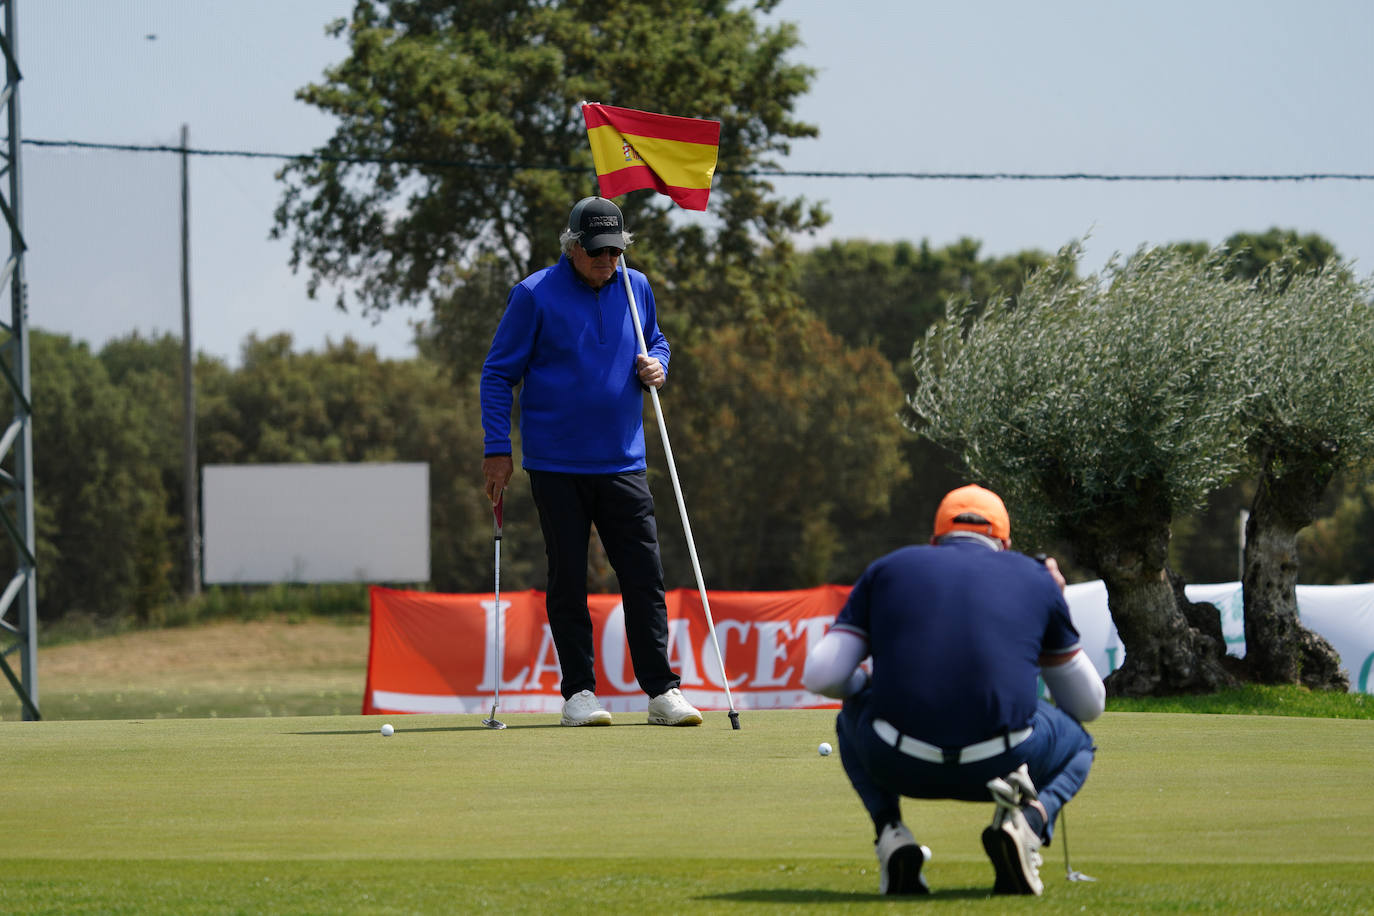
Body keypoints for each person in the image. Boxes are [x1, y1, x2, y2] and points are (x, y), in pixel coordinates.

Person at [802, 484, 1105, 896]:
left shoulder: (888, 568)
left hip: (898, 762)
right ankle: (1029, 824)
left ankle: (891, 834)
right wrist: (1054, 601)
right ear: (1004, 541)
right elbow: (1087, 705)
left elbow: (822, 677)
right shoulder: (1034, 577)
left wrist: (864, 686)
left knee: (851, 715)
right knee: (1080, 744)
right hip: (1003, 764)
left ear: (934, 539)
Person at [479, 196, 702, 729]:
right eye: (599, 252)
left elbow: (657, 340)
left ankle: (662, 693)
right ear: (573, 247)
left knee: (644, 576)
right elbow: (496, 374)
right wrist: (496, 449)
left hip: (624, 461)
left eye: (616, 251)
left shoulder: (634, 285)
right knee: (568, 578)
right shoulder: (534, 295)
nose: (609, 262)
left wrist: (659, 366)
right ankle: (579, 693)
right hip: (556, 464)